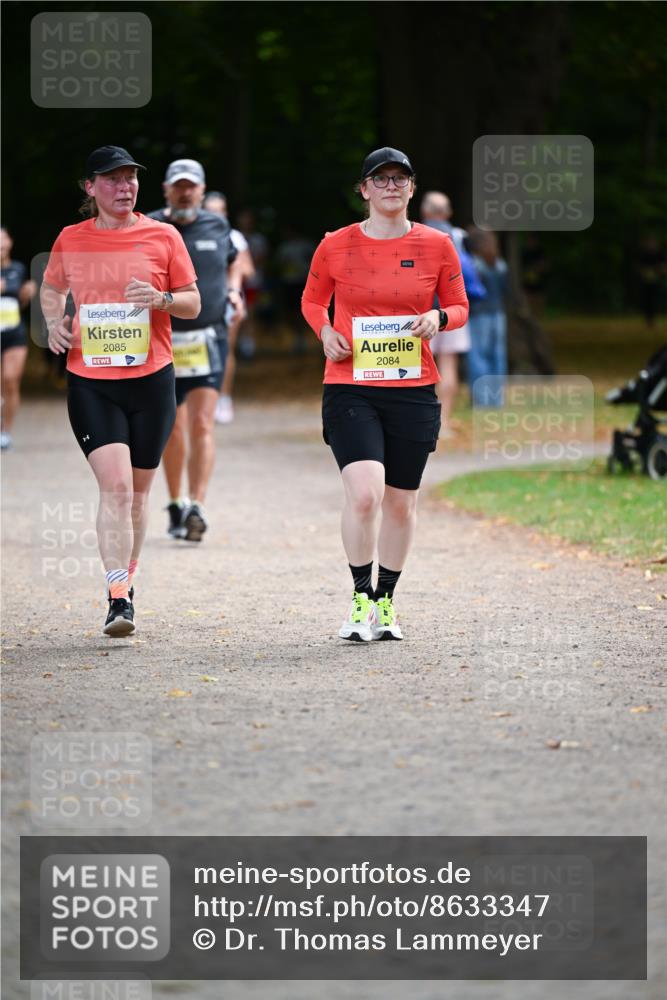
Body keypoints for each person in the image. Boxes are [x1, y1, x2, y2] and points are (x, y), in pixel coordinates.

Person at [301, 147, 468, 642]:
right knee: (365, 493)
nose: (391, 186)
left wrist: (438, 317)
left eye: (400, 178)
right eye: (381, 178)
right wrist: (325, 331)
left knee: (400, 503)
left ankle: (385, 602)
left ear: (412, 188)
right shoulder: (335, 244)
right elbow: (312, 300)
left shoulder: (437, 244)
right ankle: (359, 599)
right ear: (364, 190)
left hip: (412, 389)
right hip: (350, 385)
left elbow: (459, 306)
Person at [41, 145, 200, 636]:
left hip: (152, 381)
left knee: (137, 494)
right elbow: (51, 288)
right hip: (92, 382)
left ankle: (127, 581)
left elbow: (193, 302)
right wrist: (53, 322)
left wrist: (161, 299)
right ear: (91, 187)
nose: (125, 186)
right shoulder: (71, 238)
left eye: (130, 177)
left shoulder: (163, 235)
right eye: (112, 179)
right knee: (115, 486)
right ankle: (117, 598)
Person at [148, 162, 245, 540]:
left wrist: (234, 291)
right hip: (163, 338)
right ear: (166, 189)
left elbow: (235, 263)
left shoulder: (217, 226)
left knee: (203, 423)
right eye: (179, 187)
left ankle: (197, 507)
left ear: (202, 191)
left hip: (208, 337)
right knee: (172, 426)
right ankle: (176, 501)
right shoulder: (150, 226)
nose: (185, 193)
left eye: (192, 187)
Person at [419, 192, 485, 437]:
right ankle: (444, 422)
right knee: (449, 365)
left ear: (425, 211)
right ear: (448, 213)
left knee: (420, 366)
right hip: (451, 311)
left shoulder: (413, 233)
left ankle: (424, 421)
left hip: (420, 312)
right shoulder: (458, 236)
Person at [202, 191, 256, 425]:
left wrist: (225, 267)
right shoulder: (192, 233)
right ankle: (202, 399)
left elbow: (249, 270)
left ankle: (223, 398)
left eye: (220, 210)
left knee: (224, 351)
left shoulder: (234, 237)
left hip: (227, 301)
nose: (216, 215)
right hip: (201, 302)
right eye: (210, 210)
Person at [1, 226, 37, 449]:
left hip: (14, 332)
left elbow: (20, 303)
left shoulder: (18, 268)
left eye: (3, 239)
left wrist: (27, 294)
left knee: (10, 379)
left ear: (10, 242)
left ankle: (6, 432)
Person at [466, 228, 509, 407]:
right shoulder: (500, 264)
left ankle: (481, 399)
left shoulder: (473, 264)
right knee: (498, 356)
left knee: (478, 356)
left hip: (478, 315)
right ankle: (497, 399)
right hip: (498, 314)